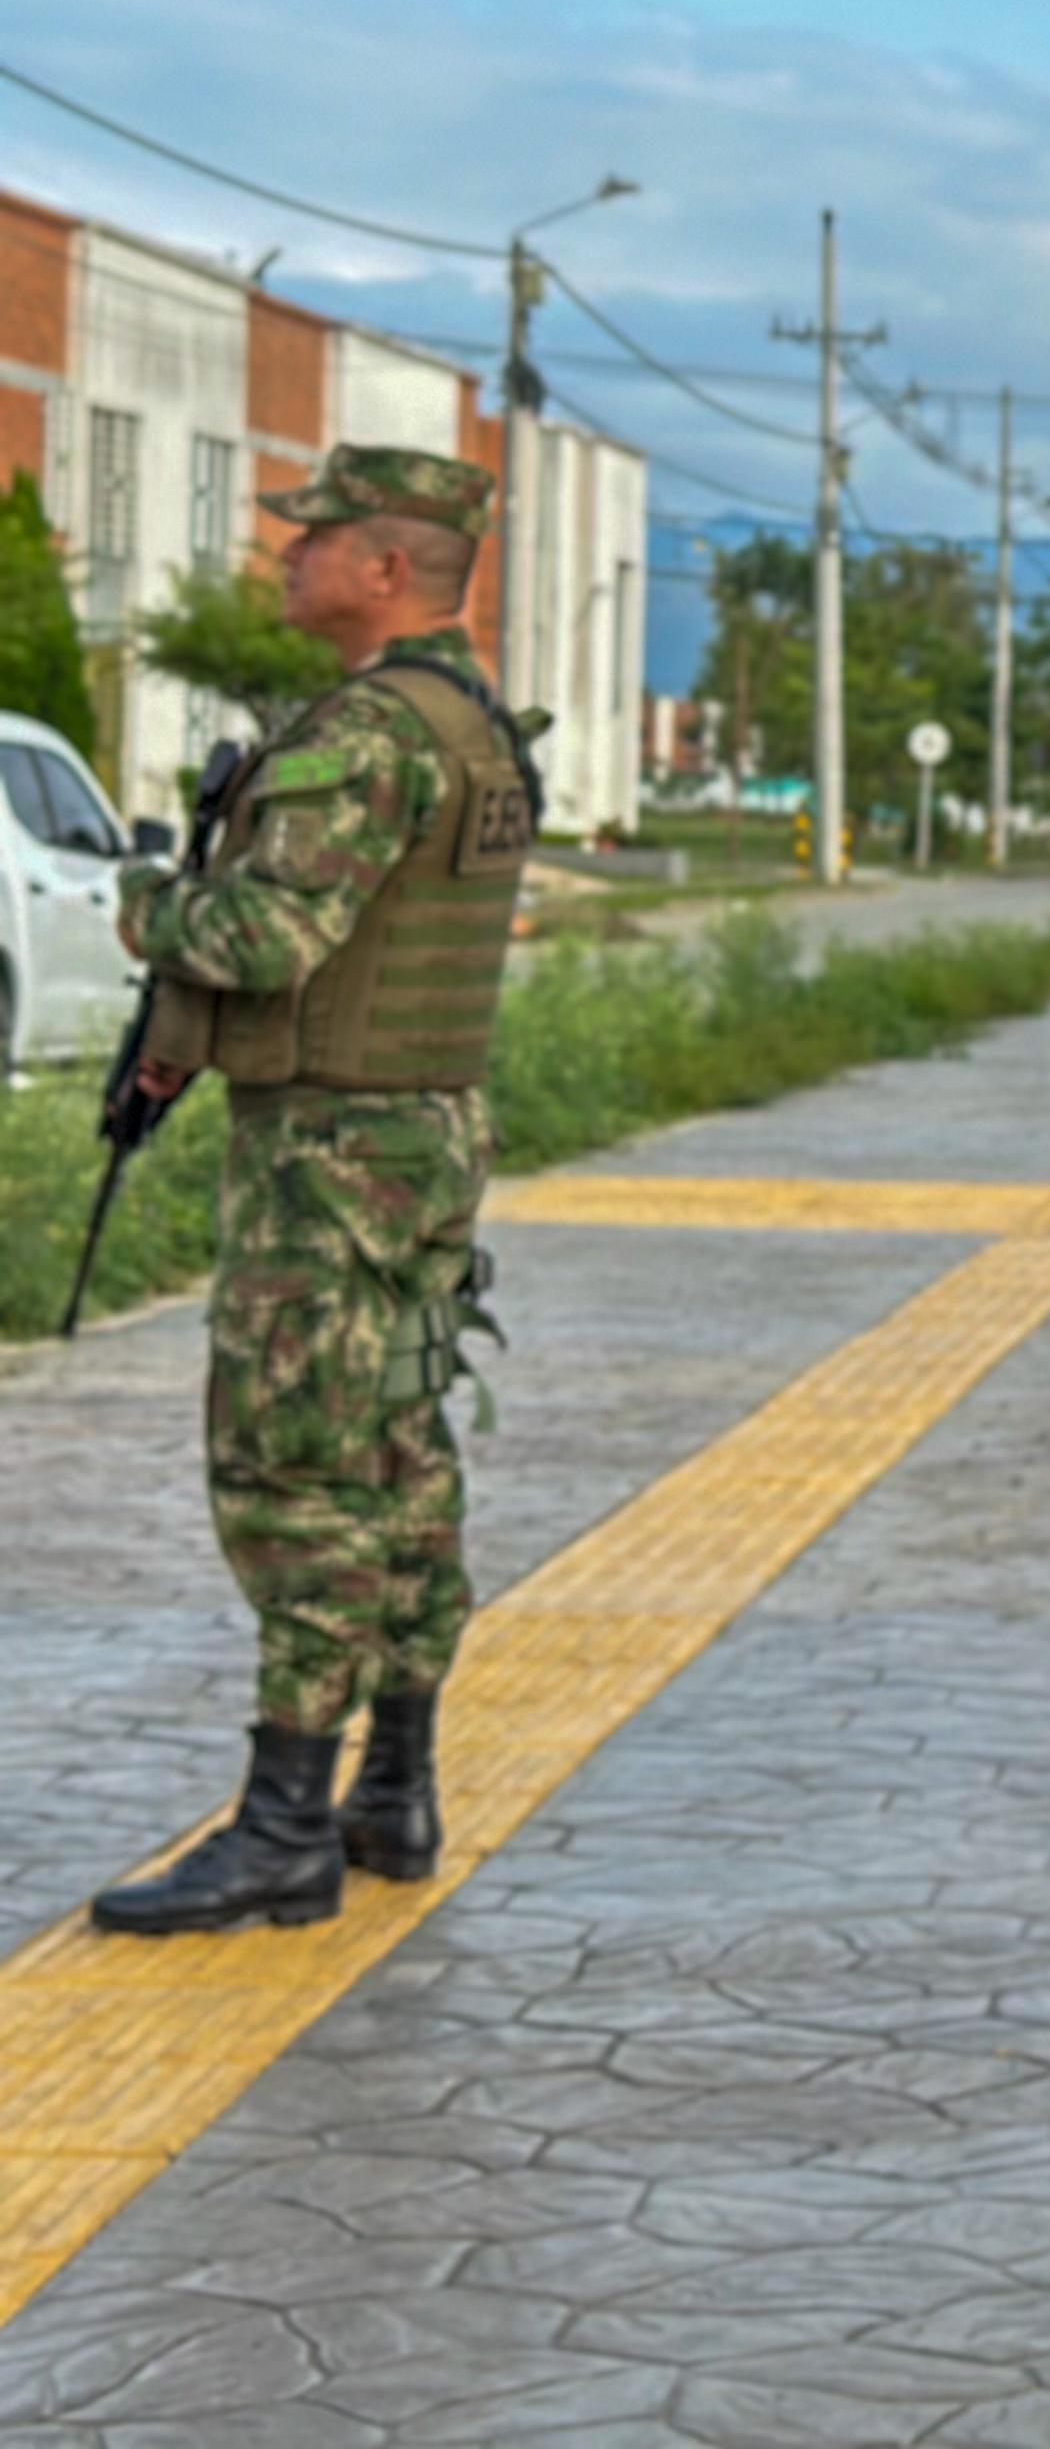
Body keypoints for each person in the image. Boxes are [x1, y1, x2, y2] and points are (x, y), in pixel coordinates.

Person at [89, 444, 538, 1938]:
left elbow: (271, 939)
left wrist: (144, 900)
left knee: (292, 1476)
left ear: (385, 570)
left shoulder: (364, 734)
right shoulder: (468, 720)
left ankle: (285, 1827)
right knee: (401, 1450)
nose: (286, 559)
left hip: (329, 1162)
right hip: (419, 1141)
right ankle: (392, 1790)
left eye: (312, 541)